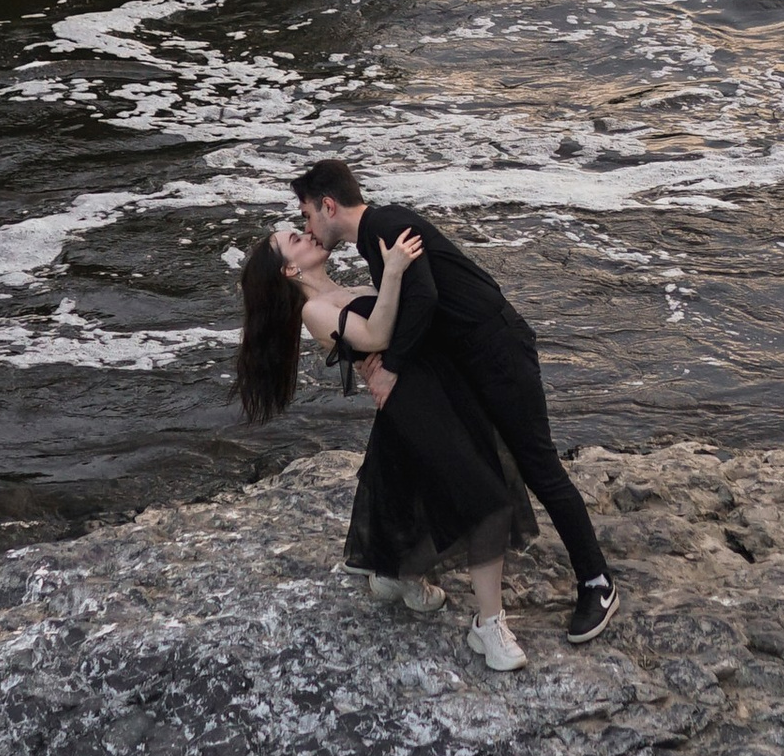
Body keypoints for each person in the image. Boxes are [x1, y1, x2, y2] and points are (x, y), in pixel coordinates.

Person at [289, 159, 618, 645]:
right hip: (470, 360)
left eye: (307, 215)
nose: (308, 228)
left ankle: (597, 581)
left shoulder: (384, 227)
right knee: (419, 451)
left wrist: (391, 368)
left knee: (537, 465)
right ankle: (394, 564)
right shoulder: (377, 236)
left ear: (328, 205)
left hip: (498, 352)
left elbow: (423, 298)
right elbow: (398, 308)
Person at [234, 219, 534, 672]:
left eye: (300, 228)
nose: (307, 233)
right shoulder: (314, 310)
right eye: (295, 240)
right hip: (414, 404)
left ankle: (398, 575)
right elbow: (376, 336)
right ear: (288, 272)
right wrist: (392, 272)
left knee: (414, 497)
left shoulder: (345, 287)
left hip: (440, 389)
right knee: (486, 500)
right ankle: (488, 625)